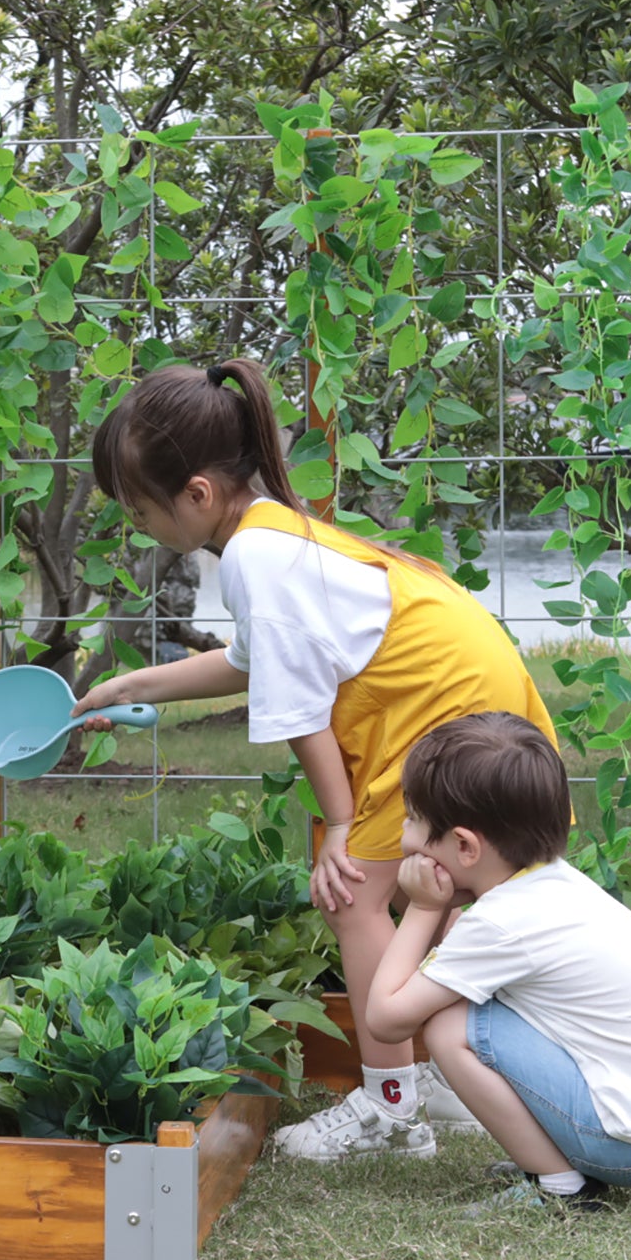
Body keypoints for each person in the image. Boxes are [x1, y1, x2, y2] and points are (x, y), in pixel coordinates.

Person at [71, 357, 558, 1162]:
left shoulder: (257, 559)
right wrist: (135, 681)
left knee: (351, 897)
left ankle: (389, 1109)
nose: (141, 529)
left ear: (196, 494)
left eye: (142, 511)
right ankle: (429, 1076)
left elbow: (299, 708)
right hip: (465, 684)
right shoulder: (264, 531)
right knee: (428, 888)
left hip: (442, 705)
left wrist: (341, 824)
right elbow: (253, 659)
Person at [363, 712, 631, 1214]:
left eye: (413, 819)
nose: (403, 832)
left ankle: (560, 1186)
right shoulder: (547, 886)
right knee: (464, 1014)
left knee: (447, 1028)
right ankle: (561, 1158)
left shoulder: (504, 921)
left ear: (464, 846)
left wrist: (422, 907)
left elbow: (387, 1019)